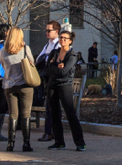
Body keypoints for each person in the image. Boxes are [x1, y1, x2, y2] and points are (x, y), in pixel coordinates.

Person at [38, 23, 86, 152]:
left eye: (65, 38)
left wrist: (55, 67)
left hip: (65, 86)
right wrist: (55, 67)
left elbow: (64, 72)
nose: (62, 40)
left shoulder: (72, 55)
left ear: (70, 41)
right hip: (52, 86)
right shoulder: (54, 52)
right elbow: (46, 69)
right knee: (54, 114)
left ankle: (80, 143)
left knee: (70, 114)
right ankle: (59, 142)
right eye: (61, 38)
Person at [0, 27, 36, 152]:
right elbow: (32, 63)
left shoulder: (3, 51)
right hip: (25, 85)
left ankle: (10, 143)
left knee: (12, 115)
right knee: (26, 115)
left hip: (9, 85)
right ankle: (26, 143)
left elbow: (3, 65)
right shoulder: (25, 49)